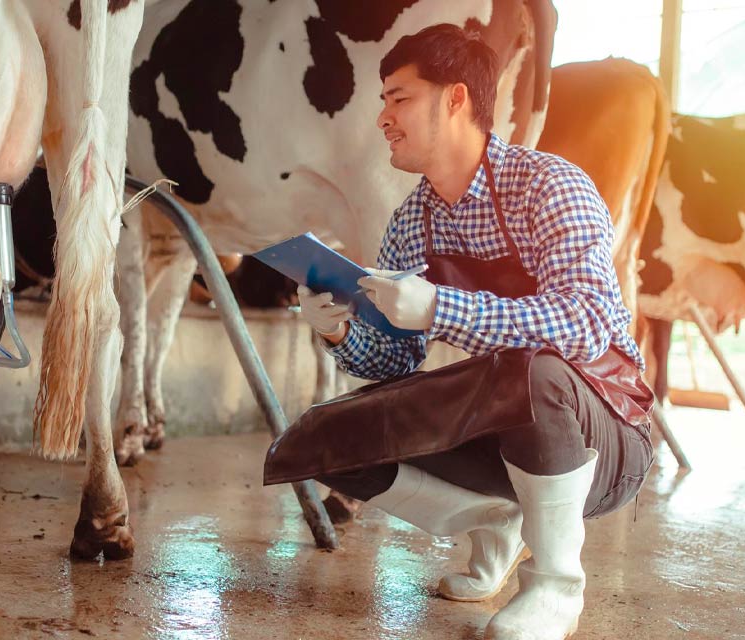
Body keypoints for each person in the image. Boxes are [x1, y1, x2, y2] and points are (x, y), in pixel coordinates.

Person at [262, 24, 655, 640]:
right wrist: (340, 332)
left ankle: (555, 585)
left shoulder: (551, 186)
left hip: (605, 433)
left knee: (536, 371)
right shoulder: (412, 220)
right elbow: (395, 362)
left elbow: (587, 323)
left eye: (400, 98)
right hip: (501, 426)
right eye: (383, 101)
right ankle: (498, 520)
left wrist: (442, 307)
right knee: (325, 437)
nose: (383, 118)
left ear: (455, 99)